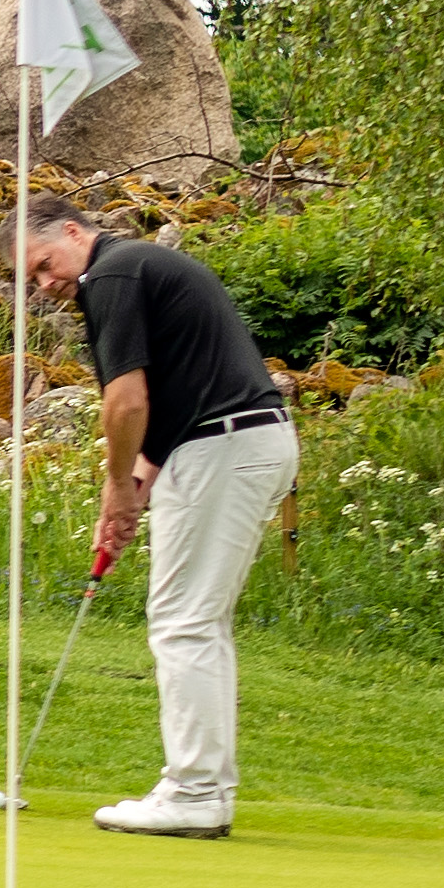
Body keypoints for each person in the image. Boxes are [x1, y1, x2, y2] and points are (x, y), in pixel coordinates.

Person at [34, 199, 296, 838]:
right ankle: (205, 790)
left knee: (183, 623)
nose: (45, 285)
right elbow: (175, 400)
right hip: (237, 442)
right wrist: (138, 489)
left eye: (43, 265)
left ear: (74, 232)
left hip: (224, 447)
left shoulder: (113, 277)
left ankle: (195, 793)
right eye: (32, 280)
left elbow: (126, 404)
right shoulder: (142, 265)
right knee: (198, 622)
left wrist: (117, 491)